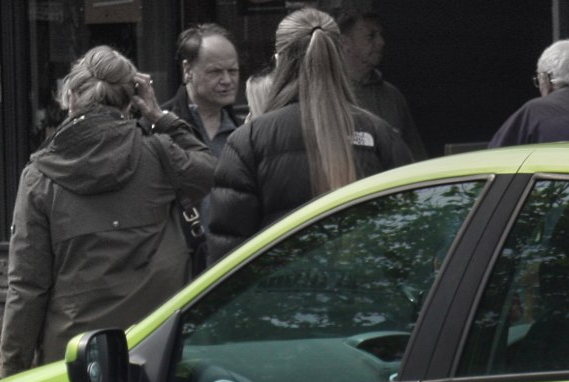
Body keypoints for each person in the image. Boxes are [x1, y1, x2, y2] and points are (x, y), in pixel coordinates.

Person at [0, 46, 215, 377]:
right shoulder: (159, 155)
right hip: (156, 348)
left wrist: (10, 373)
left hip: (76, 359)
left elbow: (26, 287)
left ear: (71, 97)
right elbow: (212, 171)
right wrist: (162, 118)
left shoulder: (40, 176)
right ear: (133, 101)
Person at [205, 7, 413, 263]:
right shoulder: (379, 133)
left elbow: (228, 258)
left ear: (279, 61)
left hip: (281, 296)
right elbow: (407, 231)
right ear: (337, 57)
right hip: (365, 294)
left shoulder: (247, 141)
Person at [161, 23, 241, 274]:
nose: (227, 80)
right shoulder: (158, 129)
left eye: (233, 71)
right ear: (188, 70)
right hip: (174, 273)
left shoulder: (244, 133)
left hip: (230, 267)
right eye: (216, 72)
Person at [332, 7, 428, 161]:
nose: (381, 42)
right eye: (371, 36)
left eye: (381, 35)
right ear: (345, 43)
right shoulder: (327, 95)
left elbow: (415, 157)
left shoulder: (392, 96)